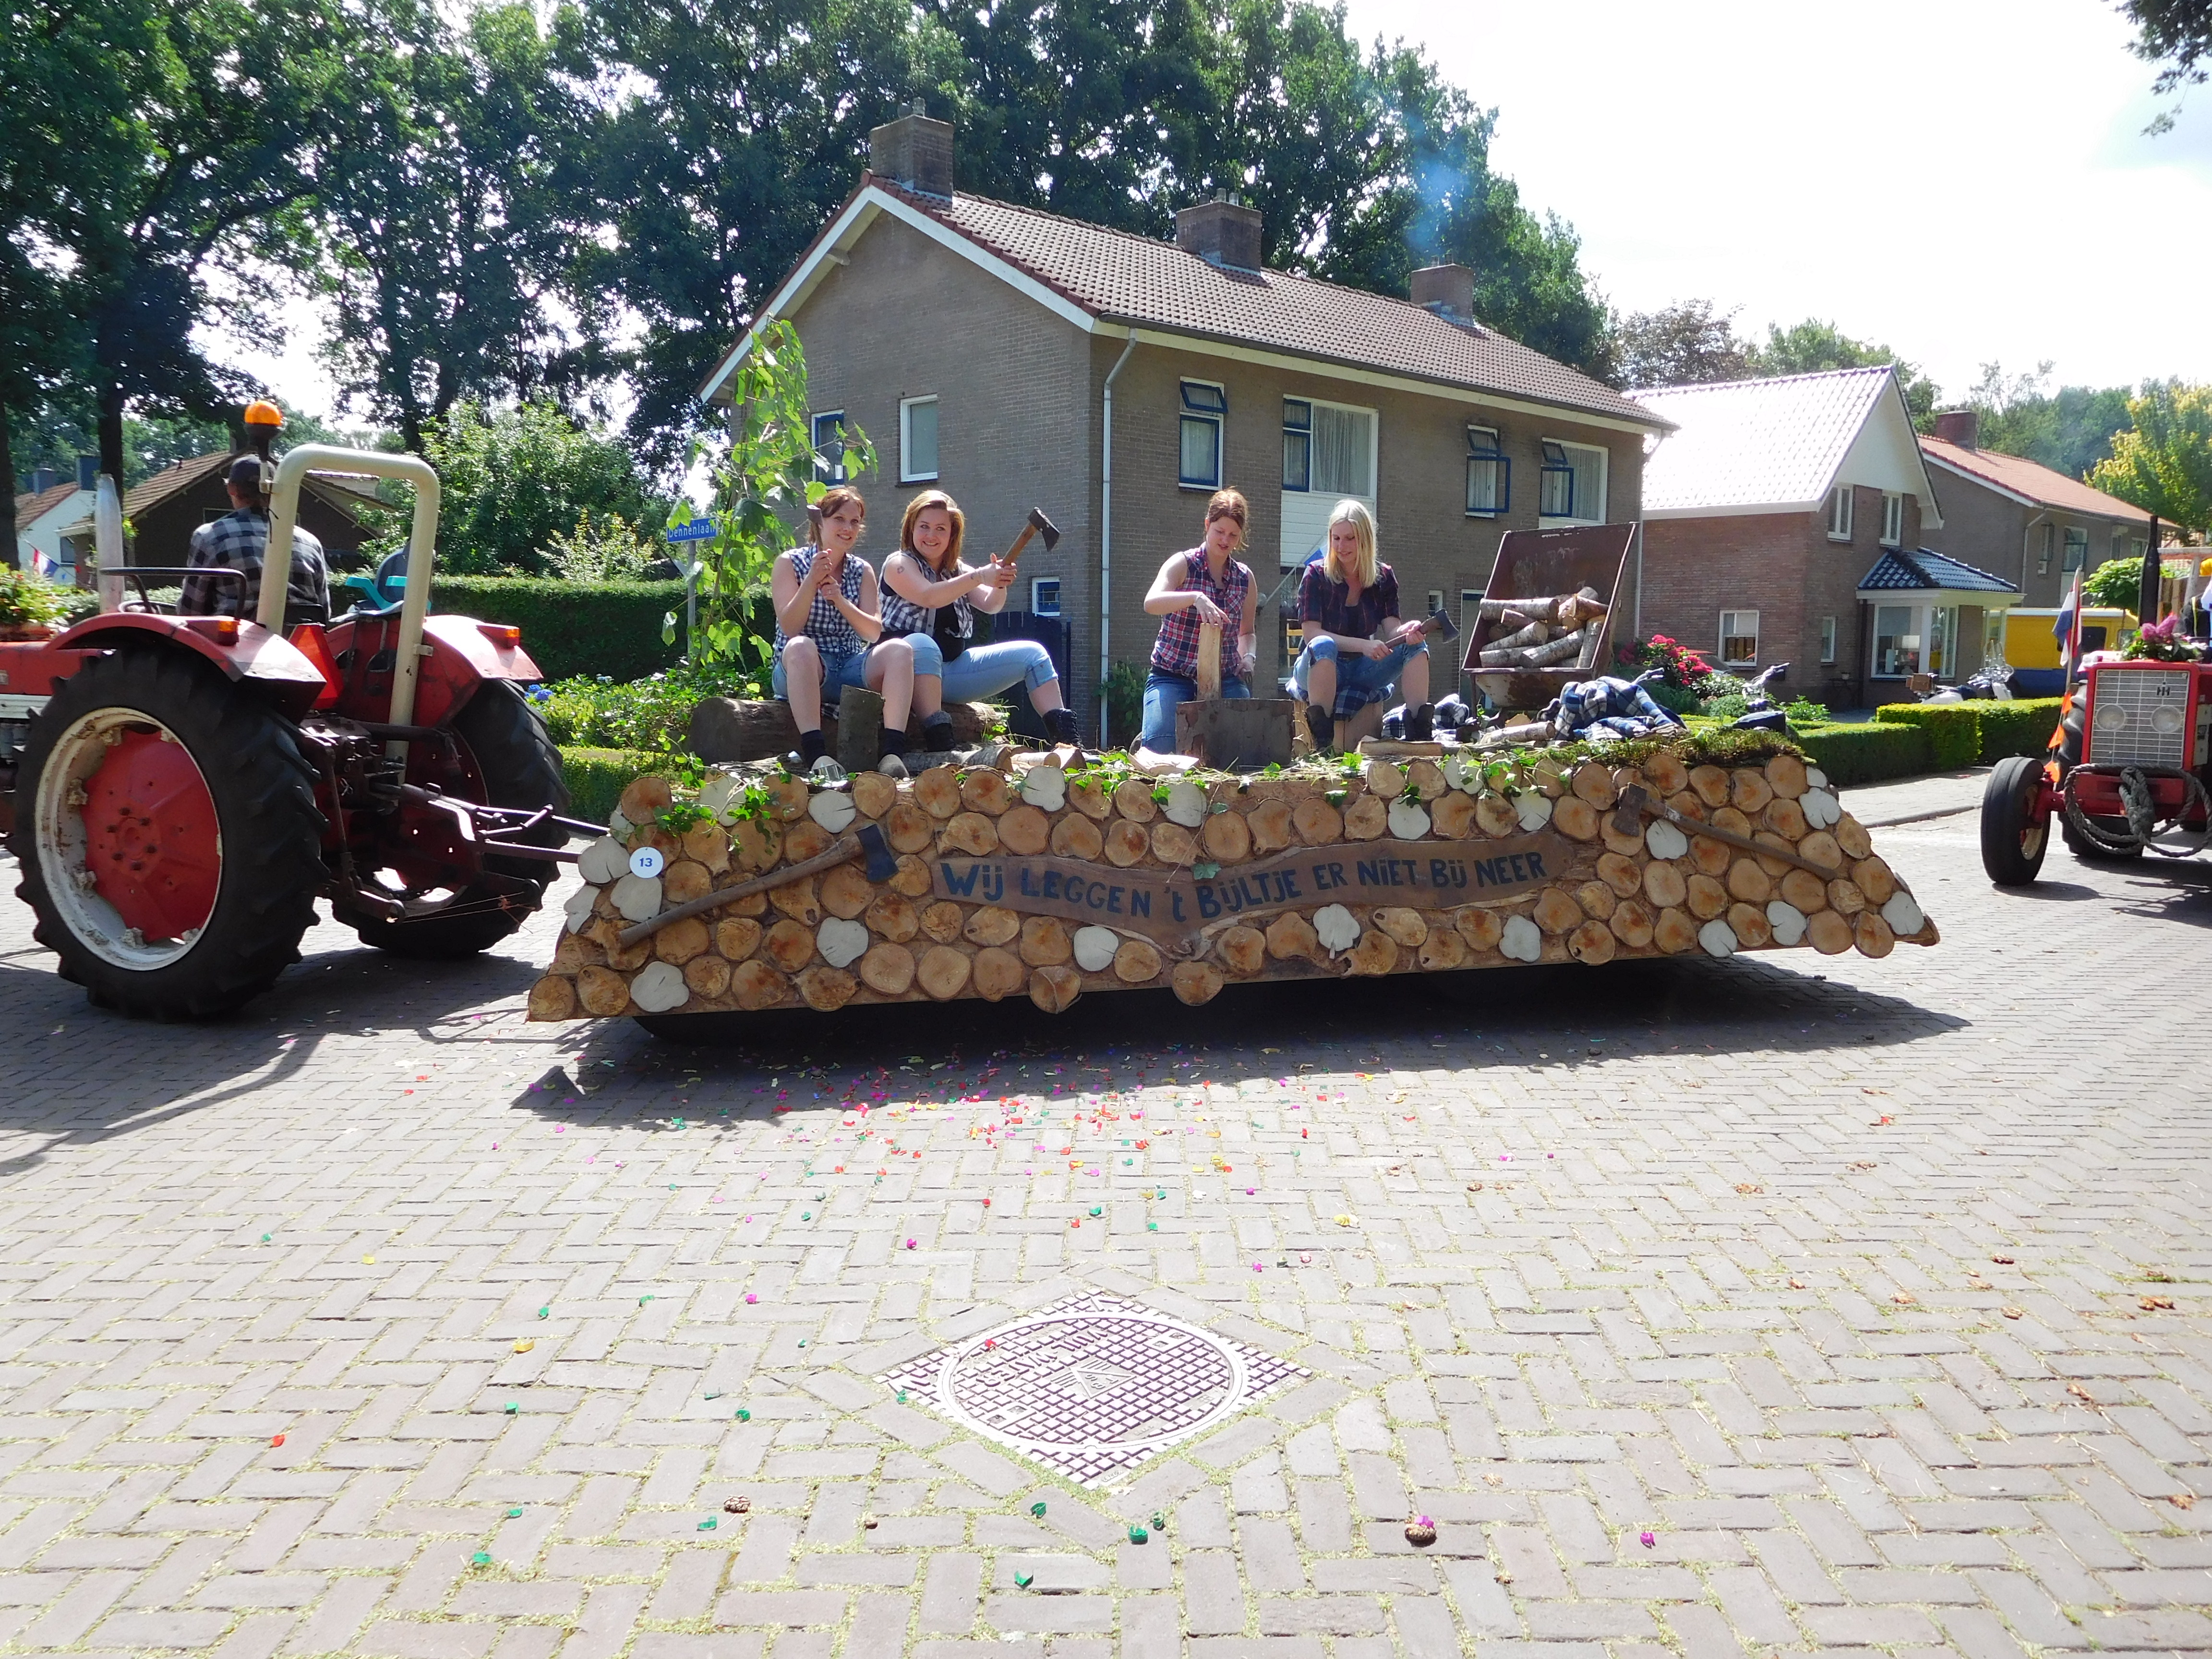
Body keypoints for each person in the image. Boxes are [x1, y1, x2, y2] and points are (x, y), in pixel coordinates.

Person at [880, 490, 1082, 749]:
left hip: (951, 672)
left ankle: (1069, 746)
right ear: (911, 528)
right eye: (924, 527)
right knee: (921, 643)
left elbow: (990, 605)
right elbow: (929, 597)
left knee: (1035, 654)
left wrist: (999, 583)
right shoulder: (898, 564)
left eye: (941, 529)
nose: (931, 536)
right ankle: (939, 742)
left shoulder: (958, 569)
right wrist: (979, 577)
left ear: (952, 534)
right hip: (908, 677)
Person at [769, 487, 921, 775]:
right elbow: (789, 627)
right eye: (839, 519)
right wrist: (811, 581)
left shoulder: (862, 570)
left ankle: (892, 754)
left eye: (854, 522)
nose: (848, 528)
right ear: (820, 522)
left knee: (900, 650)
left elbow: (872, 633)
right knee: (801, 646)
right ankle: (816, 754)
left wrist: (840, 600)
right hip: (802, 668)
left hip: (848, 665)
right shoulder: (789, 563)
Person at [1287, 499, 1432, 751]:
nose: (1340, 546)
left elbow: (1392, 629)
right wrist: (1364, 646)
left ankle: (1420, 735)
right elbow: (1311, 634)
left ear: (1365, 539)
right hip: (1317, 667)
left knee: (1416, 647)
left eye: (1349, 538)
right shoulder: (1315, 575)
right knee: (1323, 644)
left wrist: (1408, 630)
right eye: (1336, 538)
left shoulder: (1384, 576)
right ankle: (1323, 745)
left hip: (1363, 669)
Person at [1137, 488, 1258, 754]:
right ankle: (1154, 731)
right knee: (1160, 751)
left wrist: (1249, 657)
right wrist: (1194, 597)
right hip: (1172, 675)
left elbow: (1247, 633)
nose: (1225, 540)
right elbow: (1151, 602)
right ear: (1207, 525)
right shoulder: (1182, 564)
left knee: (1244, 750)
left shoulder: (1245, 578)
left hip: (1226, 677)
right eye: (1219, 531)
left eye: (1233, 535)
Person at [180, 454, 331, 626]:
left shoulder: (210, 536)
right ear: (276, 492)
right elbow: (324, 611)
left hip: (237, 639)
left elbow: (191, 611)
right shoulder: (310, 542)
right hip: (299, 639)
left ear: (231, 489)